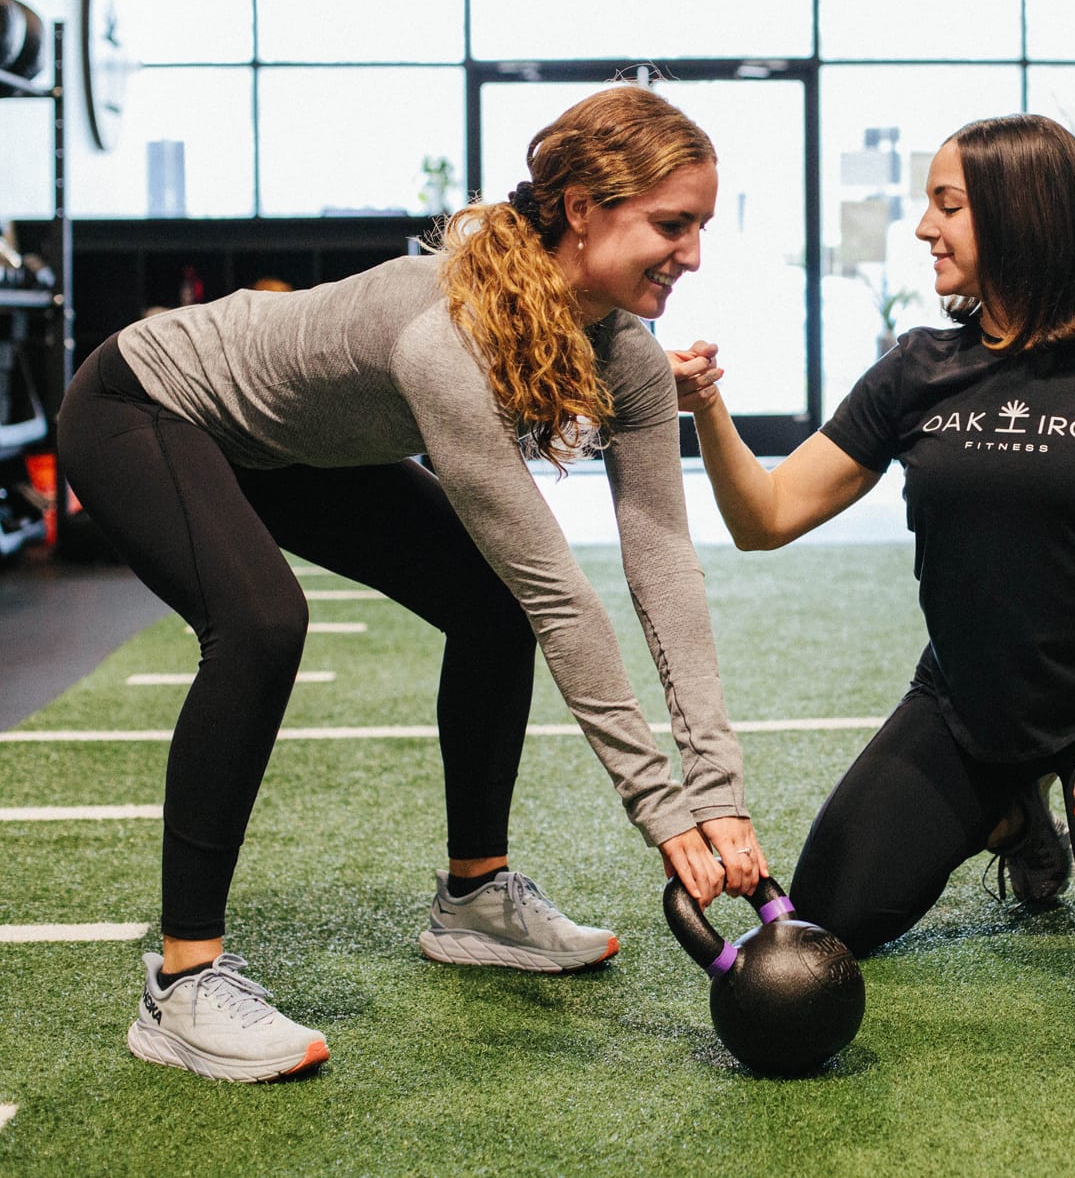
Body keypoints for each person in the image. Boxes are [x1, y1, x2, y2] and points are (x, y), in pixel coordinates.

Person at [58, 83, 767, 1082]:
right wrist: (661, 808)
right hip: (148, 403)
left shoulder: (630, 358)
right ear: (580, 207)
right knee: (262, 623)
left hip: (294, 446)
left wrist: (718, 791)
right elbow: (563, 590)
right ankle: (182, 985)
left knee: (488, 606)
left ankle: (474, 897)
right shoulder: (450, 338)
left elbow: (664, 566)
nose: (692, 253)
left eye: (699, 225)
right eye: (671, 223)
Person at [671, 112, 1075, 990]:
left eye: (948, 205)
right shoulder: (918, 368)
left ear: (1022, 216)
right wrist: (705, 406)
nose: (925, 227)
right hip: (968, 704)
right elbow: (767, 516)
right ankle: (1012, 817)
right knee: (829, 916)